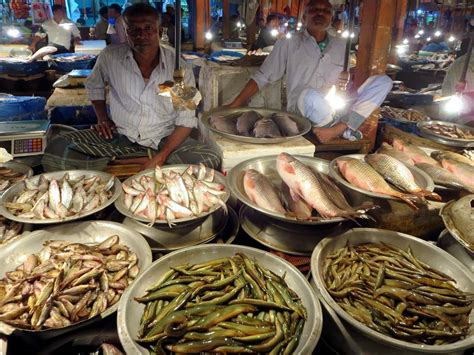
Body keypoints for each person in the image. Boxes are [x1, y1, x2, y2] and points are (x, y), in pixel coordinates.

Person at [41, 3, 220, 172]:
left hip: (163, 138)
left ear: (159, 31)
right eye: (134, 30)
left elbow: (186, 119)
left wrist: (162, 155)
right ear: (126, 33)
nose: (141, 35)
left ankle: (131, 161)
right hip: (119, 136)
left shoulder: (179, 67)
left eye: (148, 29)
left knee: (209, 159)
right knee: (56, 149)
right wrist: (103, 119)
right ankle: (144, 161)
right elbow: (94, 86)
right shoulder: (110, 56)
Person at [228, 0, 392, 143]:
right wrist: (235, 104)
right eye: (314, 10)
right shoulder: (288, 44)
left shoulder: (342, 46)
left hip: (332, 108)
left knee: (383, 81)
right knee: (309, 95)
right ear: (304, 17)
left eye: (326, 11)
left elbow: (346, 82)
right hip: (302, 108)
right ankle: (346, 128)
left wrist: (348, 80)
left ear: (331, 18)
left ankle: (337, 129)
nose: (320, 13)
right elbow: (263, 77)